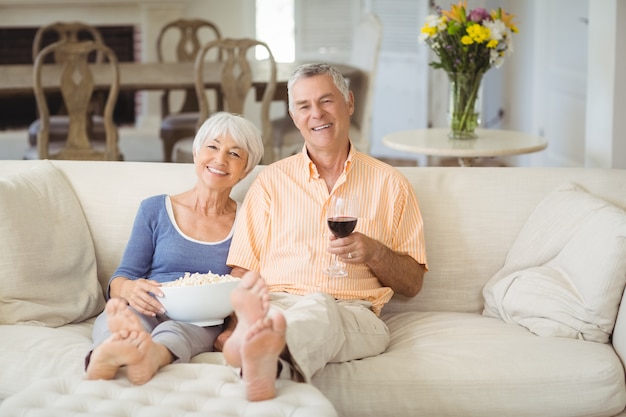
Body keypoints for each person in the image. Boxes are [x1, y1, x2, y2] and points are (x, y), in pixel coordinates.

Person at [221, 63, 428, 401]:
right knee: (287, 315)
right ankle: (264, 360)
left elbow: (413, 284)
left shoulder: (392, 184)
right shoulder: (271, 181)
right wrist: (231, 323)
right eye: (304, 106)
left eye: (326, 101)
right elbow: (243, 269)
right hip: (277, 303)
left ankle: (259, 349)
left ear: (349, 102)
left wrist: (374, 252)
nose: (316, 113)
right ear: (293, 115)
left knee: (319, 306)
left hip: (353, 313)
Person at [84, 111, 264, 385]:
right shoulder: (154, 209)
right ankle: (108, 352)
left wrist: (232, 329)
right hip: (149, 305)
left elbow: (242, 288)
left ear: (246, 170)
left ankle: (150, 357)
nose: (220, 159)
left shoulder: (247, 221)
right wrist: (129, 289)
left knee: (176, 332)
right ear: (196, 153)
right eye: (212, 147)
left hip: (202, 320)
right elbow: (121, 277)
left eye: (235, 154)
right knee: (123, 318)